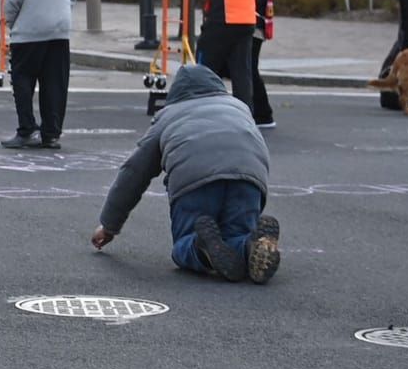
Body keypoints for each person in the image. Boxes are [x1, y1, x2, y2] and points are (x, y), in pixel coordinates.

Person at [92, 65, 279, 283]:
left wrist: (109, 226)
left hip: (195, 181)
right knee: (236, 233)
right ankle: (249, 246)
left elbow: (134, 173)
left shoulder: (169, 115)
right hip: (248, 176)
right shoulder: (239, 107)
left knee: (183, 245)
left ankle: (201, 249)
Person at [0, 0, 76, 149]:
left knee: (22, 80)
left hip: (29, 31)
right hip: (60, 30)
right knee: (55, 83)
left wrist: (12, 21)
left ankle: (27, 128)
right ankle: (51, 133)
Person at [249, 0, 276, 128]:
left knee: (250, 70)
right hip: (254, 28)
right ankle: (261, 113)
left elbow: (255, 1)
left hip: (254, 29)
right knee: (249, 70)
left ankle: (263, 113)